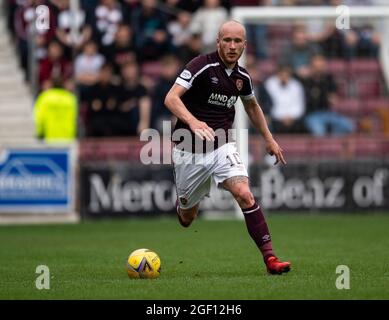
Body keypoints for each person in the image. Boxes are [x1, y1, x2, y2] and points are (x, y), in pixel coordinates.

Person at [164, 20, 291, 275]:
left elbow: (252, 106)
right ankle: (184, 204)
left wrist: (269, 138)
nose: (232, 46)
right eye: (227, 40)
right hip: (188, 149)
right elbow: (171, 97)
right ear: (218, 42)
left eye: (237, 41)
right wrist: (193, 121)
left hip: (221, 146)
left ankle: (270, 258)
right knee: (188, 219)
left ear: (245, 44)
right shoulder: (201, 65)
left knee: (244, 193)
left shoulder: (243, 78)